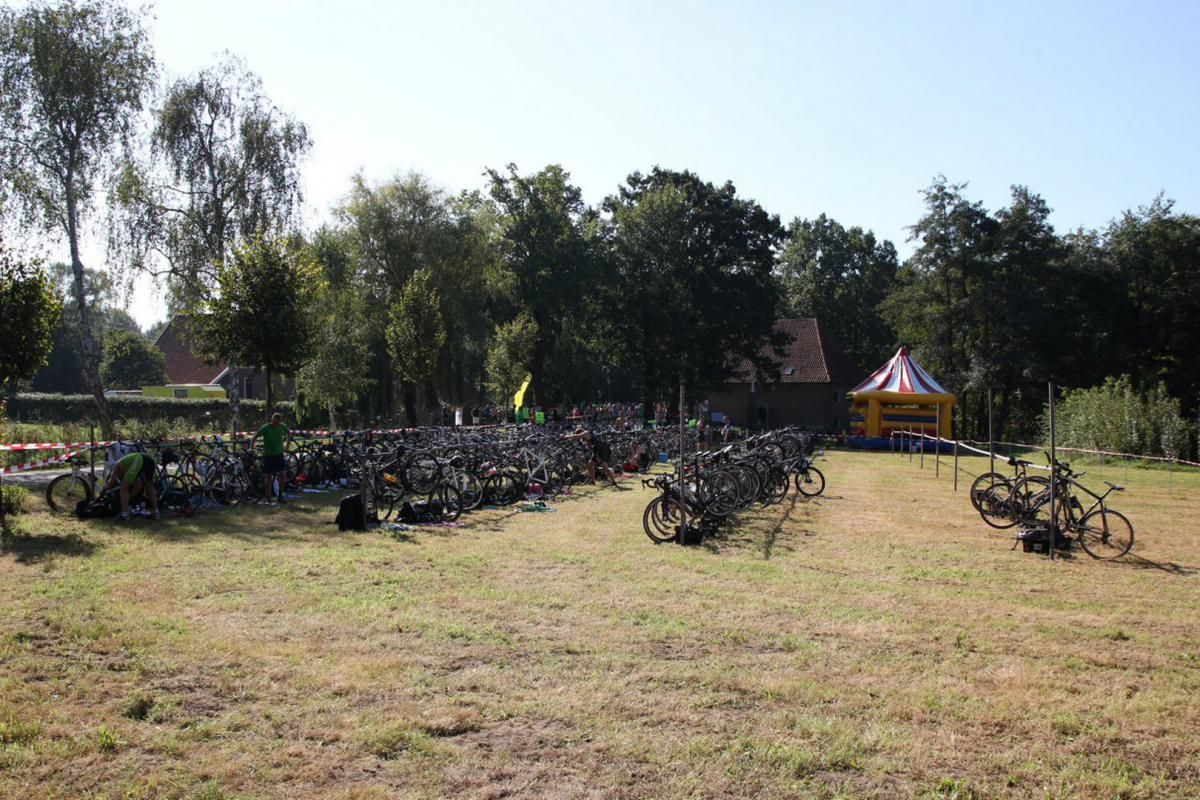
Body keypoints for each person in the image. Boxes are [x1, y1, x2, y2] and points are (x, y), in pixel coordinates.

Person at [103, 450, 160, 521]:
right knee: (148, 486)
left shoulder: (116, 466)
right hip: (150, 460)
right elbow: (138, 484)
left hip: (139, 460)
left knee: (123, 488)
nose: (121, 478)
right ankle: (156, 512)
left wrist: (105, 489)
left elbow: (111, 481)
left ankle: (125, 514)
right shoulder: (128, 466)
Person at [252, 412, 290, 505]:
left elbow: (289, 433)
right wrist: (251, 448)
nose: (275, 424)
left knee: (283, 474)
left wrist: (288, 443)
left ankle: (280, 495)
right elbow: (254, 437)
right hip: (268, 455)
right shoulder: (266, 427)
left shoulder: (282, 426)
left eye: (277, 422)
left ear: (279, 422)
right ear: (272, 420)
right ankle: (268, 496)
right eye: (274, 422)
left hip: (279, 454)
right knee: (269, 477)